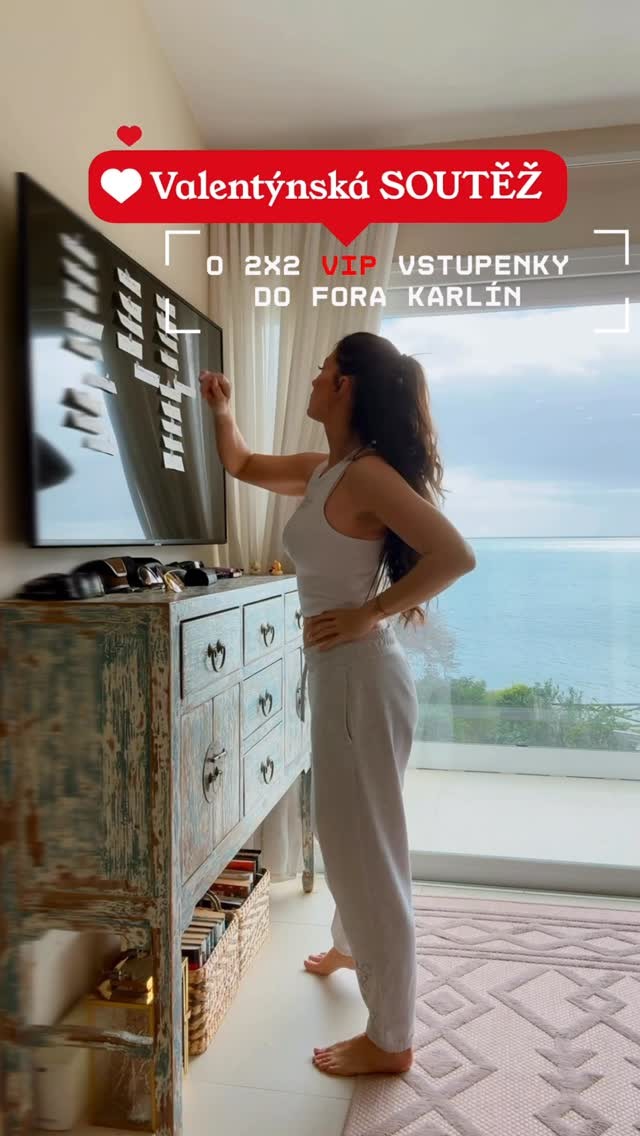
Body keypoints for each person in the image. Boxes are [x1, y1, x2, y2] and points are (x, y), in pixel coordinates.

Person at [199, 331, 475, 1078]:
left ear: (345, 385)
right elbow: (243, 464)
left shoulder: (369, 475)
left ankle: (392, 1039)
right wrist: (221, 410)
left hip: (360, 677)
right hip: (344, 678)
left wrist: (370, 613)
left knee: (365, 851)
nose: (314, 379)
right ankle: (352, 948)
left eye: (322, 370)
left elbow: (456, 554)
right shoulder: (326, 470)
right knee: (356, 836)